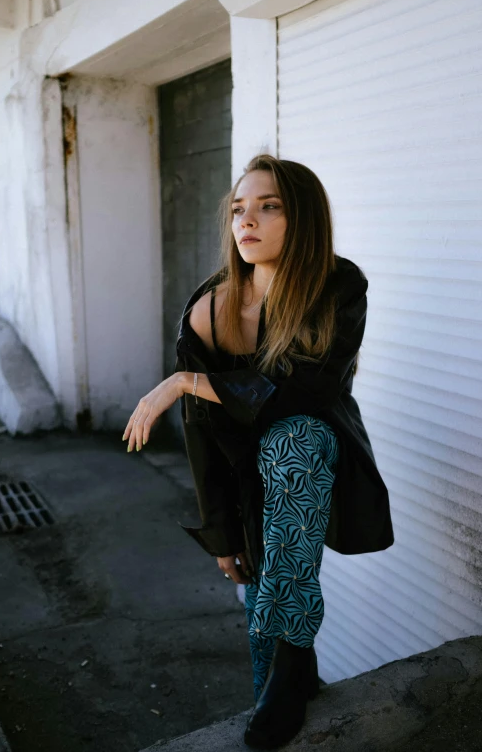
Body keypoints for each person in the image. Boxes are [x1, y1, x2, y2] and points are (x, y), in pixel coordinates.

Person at [122, 154, 394, 749]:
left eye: (269, 207)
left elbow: (307, 390)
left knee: (291, 440)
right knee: (259, 631)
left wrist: (183, 381)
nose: (248, 221)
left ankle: (293, 663)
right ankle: (287, 673)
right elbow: (202, 431)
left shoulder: (338, 285)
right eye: (239, 209)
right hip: (246, 478)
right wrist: (221, 533)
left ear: (303, 220)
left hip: (314, 456)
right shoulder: (210, 309)